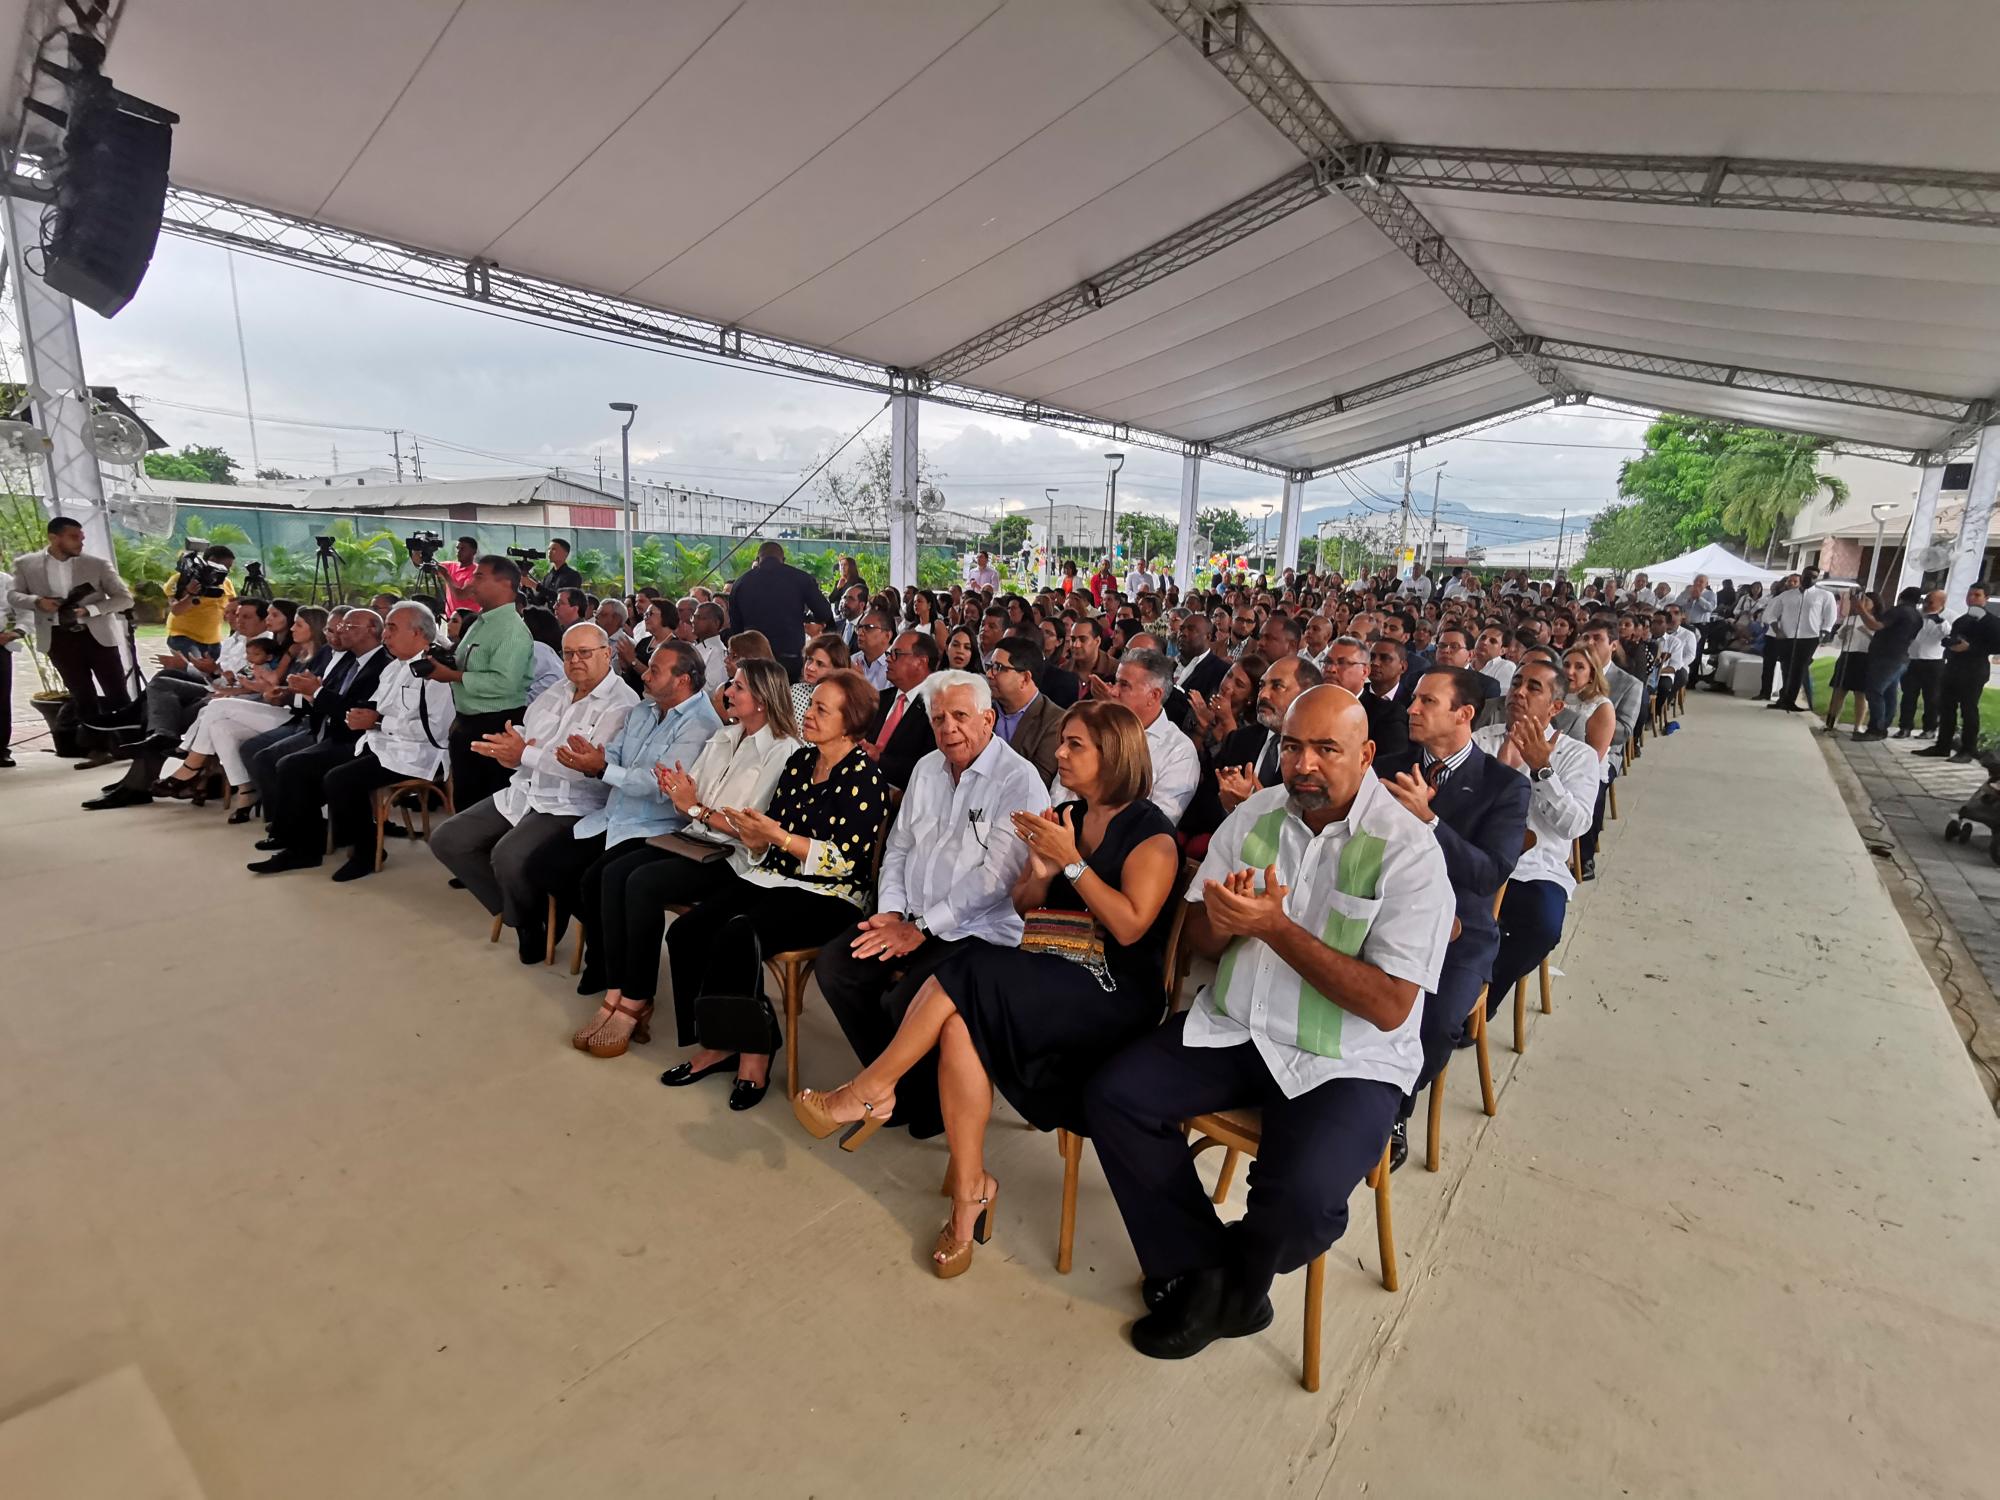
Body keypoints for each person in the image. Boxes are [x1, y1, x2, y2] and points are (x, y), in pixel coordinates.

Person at [1085, 685, 1454, 1361]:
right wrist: (1220, 923)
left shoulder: (1408, 851)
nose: (1304, 764)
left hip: (1343, 1056)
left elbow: (1389, 1005)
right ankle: (1205, 1269)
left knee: (1303, 1201)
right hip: (1240, 1025)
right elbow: (1197, 933)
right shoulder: (1255, 816)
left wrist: (1277, 929)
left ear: (1367, 753)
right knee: (1114, 1097)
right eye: (1291, 746)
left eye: (1325, 748)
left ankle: (1232, 1283)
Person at [799, 700, 1178, 1276]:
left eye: (1076, 745)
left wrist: (1072, 863)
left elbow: (1130, 926)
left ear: (1114, 755)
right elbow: (1029, 908)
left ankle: (874, 1086)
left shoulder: (1153, 834)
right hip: (1054, 959)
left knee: (969, 972)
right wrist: (1045, 871)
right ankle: (969, 1190)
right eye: (1065, 742)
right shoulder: (1070, 812)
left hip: (1113, 988)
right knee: (959, 1023)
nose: (1060, 752)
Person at [813, 671, 1051, 1139]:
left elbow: (996, 880)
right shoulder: (927, 768)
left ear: (988, 719)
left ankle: (920, 1101)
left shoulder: (1018, 782)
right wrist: (895, 911)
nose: (949, 728)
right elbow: (898, 846)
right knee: (837, 965)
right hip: (913, 916)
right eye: (938, 718)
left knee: (905, 1000)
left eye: (961, 716)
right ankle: (904, 1093)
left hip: (978, 932)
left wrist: (920, 928)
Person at [653, 668, 888, 1104]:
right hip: (773, 877)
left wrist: (778, 837)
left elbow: (845, 862)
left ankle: (755, 1052)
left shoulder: (864, 778)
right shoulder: (800, 763)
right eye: (811, 704)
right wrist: (759, 838)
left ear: (850, 721)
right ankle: (719, 1041)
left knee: (739, 933)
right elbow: (768, 843)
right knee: (686, 932)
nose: (809, 714)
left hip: (829, 896)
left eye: (821, 709)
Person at [573, 657, 798, 1003]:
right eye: (731, 683)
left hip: (734, 857)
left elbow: (749, 827)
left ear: (762, 700)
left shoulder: (783, 751)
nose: (727, 692)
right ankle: (616, 984)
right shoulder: (725, 736)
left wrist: (694, 806)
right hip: (695, 838)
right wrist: (679, 792)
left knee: (642, 883)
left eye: (738, 686)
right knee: (611, 873)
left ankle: (636, 997)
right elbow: (691, 796)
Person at [1380, 666, 1530, 1167]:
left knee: (1437, 1019)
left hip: (1461, 928)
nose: (1412, 709)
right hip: (1383, 909)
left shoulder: (1502, 785)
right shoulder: (1390, 763)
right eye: (1414, 699)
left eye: (1427, 701)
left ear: (1464, 714)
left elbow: (1488, 874)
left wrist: (1431, 821)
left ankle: (1396, 1106)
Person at [430, 623, 639, 961]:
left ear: (607, 653)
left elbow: (586, 768)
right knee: (448, 839)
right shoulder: (557, 690)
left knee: (508, 856)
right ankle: (527, 912)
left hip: (573, 803)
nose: (575, 661)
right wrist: (510, 745)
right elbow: (530, 732)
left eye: (584, 653)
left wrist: (524, 753)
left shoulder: (623, 704)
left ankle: (527, 920)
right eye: (568, 653)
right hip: (526, 789)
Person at [1472, 658, 1599, 1017]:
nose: (1519, 693)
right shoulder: (1481, 740)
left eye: (1533, 688)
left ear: (1556, 707)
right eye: (1516, 684)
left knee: (1542, 925)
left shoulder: (1578, 756)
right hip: (1476, 860)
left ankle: (1482, 1000)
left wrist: (1542, 770)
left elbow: (1575, 826)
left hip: (1533, 869)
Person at [243, 610, 396, 870]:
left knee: (296, 766)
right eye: (341, 625)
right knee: (291, 764)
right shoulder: (351, 660)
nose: (342, 630)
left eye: (350, 626)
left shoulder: (384, 664)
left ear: (372, 629)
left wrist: (316, 692)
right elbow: (330, 700)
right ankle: (303, 843)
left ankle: (312, 845)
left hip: (365, 740)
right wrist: (306, 692)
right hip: (337, 734)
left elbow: (357, 712)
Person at [318, 602, 460, 881]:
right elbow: (380, 707)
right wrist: (362, 715)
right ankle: (333, 834)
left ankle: (366, 851)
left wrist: (378, 722)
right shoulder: (394, 667)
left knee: (340, 780)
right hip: (383, 745)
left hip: (417, 753)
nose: (385, 635)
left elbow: (435, 730)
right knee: (321, 766)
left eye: (392, 628)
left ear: (418, 633)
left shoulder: (435, 670)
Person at [423, 554, 534, 809]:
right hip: (468, 721)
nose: (471, 583)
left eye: (479, 576)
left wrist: (452, 676)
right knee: (466, 800)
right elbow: (468, 662)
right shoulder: (481, 621)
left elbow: (504, 683)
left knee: (488, 805)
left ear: (505, 583)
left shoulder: (511, 629)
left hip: (496, 723)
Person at [8, 515, 136, 722]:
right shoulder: (25, 564)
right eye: (74, 537)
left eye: (82, 537)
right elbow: (13, 595)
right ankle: (95, 745)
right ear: (54, 538)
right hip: (58, 637)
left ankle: (128, 742)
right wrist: (38, 601)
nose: (80, 542)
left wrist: (90, 610)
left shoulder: (97, 564)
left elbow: (125, 599)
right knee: (82, 695)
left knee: (117, 692)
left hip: (96, 636)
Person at [1051, 649, 1198, 823]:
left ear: (1154, 695)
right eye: (1115, 682)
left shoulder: (1179, 752)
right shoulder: (1097, 727)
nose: (1113, 692)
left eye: (1124, 685)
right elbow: (1061, 790)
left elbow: (1160, 822)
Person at [1914, 582, 2000, 763]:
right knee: (1946, 707)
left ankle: (1968, 749)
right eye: (1969, 594)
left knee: (1968, 709)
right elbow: (1951, 638)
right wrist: (1950, 643)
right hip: (1953, 668)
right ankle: (1942, 745)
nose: (1971, 598)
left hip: (1974, 670)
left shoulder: (1992, 622)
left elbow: (1995, 646)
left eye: (1977, 595)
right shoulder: (1962, 620)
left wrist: (1970, 648)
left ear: (1986, 598)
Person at [728, 541, 834, 681]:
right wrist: (803, 617)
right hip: (789, 658)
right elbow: (824, 613)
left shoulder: (741, 583)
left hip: (752, 660)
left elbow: (736, 628)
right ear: (783, 560)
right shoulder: (801, 579)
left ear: (758, 559)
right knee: (787, 699)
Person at [1558, 647, 1615, 880]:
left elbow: (1594, 757)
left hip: (1586, 769)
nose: (1570, 671)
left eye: (1579, 667)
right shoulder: (1553, 697)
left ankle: (1585, 857)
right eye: (1566, 664)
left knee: (1585, 792)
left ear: (1592, 674)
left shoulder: (1600, 706)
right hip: (1551, 761)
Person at [864, 629, 938, 789]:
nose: (889, 659)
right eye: (889, 653)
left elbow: (929, 768)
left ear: (921, 661)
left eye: (896, 654)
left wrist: (879, 758)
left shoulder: (936, 707)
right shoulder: (880, 698)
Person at [986, 634, 1063, 783]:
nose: (989, 674)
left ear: (1025, 678)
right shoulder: (985, 709)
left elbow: (1036, 781)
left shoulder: (1054, 721)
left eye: (998, 668)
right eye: (990, 666)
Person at [1770, 568, 1837, 712]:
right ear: (1802, 577)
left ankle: (1790, 700)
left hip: (1809, 637)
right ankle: (1783, 699)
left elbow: (1830, 617)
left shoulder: (1824, 595)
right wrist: (1777, 630)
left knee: (1799, 669)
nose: (1810, 579)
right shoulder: (1786, 595)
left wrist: (1824, 632)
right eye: (1807, 576)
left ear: (1817, 579)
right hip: (1787, 636)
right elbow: (1772, 615)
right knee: (1786, 667)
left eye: (1814, 577)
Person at [1860, 587, 1921, 742]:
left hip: (1886, 657)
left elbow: (1876, 625)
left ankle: (1876, 728)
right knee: (1889, 693)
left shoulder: (1899, 611)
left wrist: (1860, 609)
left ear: (1900, 596)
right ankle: (1884, 725)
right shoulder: (1917, 616)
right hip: (1901, 657)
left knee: (1875, 691)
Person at [163, 543, 236, 663]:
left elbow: (232, 608)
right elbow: (176, 610)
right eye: (226, 566)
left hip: (213, 641)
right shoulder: (181, 579)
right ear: (212, 561)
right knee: (197, 670)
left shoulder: (226, 583)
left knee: (212, 676)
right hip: (183, 637)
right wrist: (191, 594)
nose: (227, 570)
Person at [1896, 589, 1948, 739]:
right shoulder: (1916, 615)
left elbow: (1949, 634)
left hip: (1933, 663)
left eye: (1930, 602)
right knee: (1908, 695)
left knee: (1931, 697)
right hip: (1912, 660)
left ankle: (1930, 729)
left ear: (1941, 603)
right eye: (1926, 600)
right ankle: (1905, 727)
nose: (1926, 604)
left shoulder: (1945, 618)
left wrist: (1939, 620)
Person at [789, 632, 851, 722]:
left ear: (837, 670)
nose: (810, 668)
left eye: (820, 664)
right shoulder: (795, 690)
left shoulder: (843, 702)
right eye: (809, 659)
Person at [532, 538, 582, 606]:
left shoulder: (573, 576)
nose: (549, 552)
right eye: (549, 549)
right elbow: (539, 601)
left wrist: (536, 586)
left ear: (565, 554)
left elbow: (565, 599)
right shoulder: (547, 577)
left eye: (554, 549)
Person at [440, 537, 482, 614]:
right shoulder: (450, 566)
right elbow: (421, 564)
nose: (458, 552)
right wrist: (417, 550)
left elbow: (461, 595)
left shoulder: (478, 572)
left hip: (469, 619)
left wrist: (446, 576)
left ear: (474, 552)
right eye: (457, 548)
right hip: (451, 618)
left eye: (463, 549)